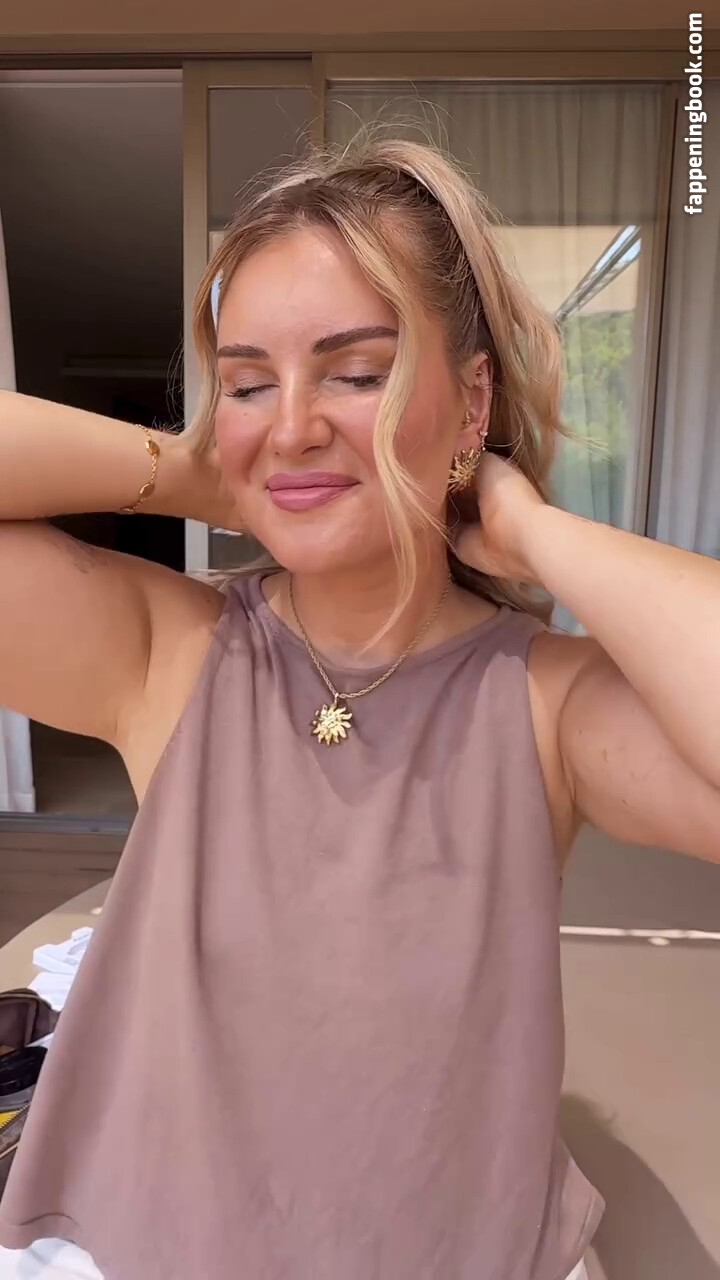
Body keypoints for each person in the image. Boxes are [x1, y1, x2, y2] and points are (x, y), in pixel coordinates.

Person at [0, 132, 718, 1280]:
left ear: (471, 400)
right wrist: (205, 469)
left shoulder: (542, 699)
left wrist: (535, 529)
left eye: (355, 370)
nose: (292, 422)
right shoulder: (171, 653)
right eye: (249, 382)